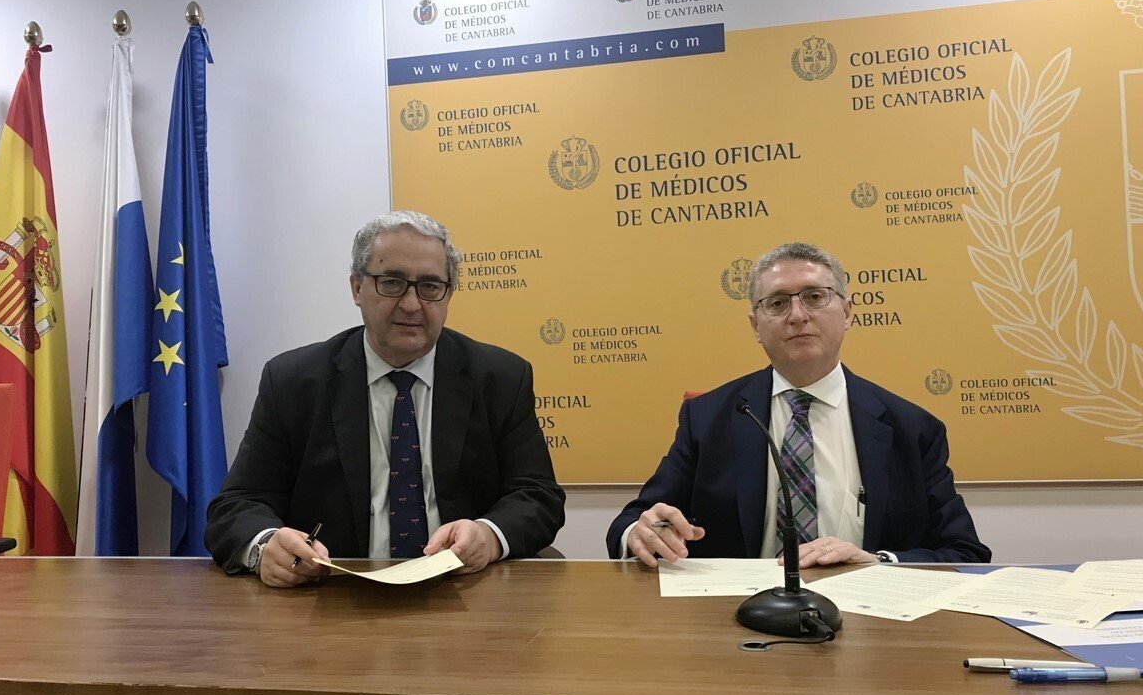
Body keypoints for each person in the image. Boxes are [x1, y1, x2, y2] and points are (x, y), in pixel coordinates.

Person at [206, 210, 565, 586]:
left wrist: (488, 536)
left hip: (464, 590)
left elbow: (538, 496)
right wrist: (266, 546)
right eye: (392, 283)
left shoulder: (500, 378)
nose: (411, 304)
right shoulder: (293, 382)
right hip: (334, 594)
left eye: (430, 286)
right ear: (356, 288)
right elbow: (236, 505)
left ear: (448, 294)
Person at [607, 241, 990, 568]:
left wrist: (878, 562)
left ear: (847, 312)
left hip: (868, 619)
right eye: (777, 303)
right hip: (738, 617)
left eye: (814, 297)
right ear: (755, 326)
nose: (797, 315)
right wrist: (639, 533)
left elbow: (964, 553)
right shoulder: (707, 418)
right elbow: (631, 523)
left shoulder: (911, 428)